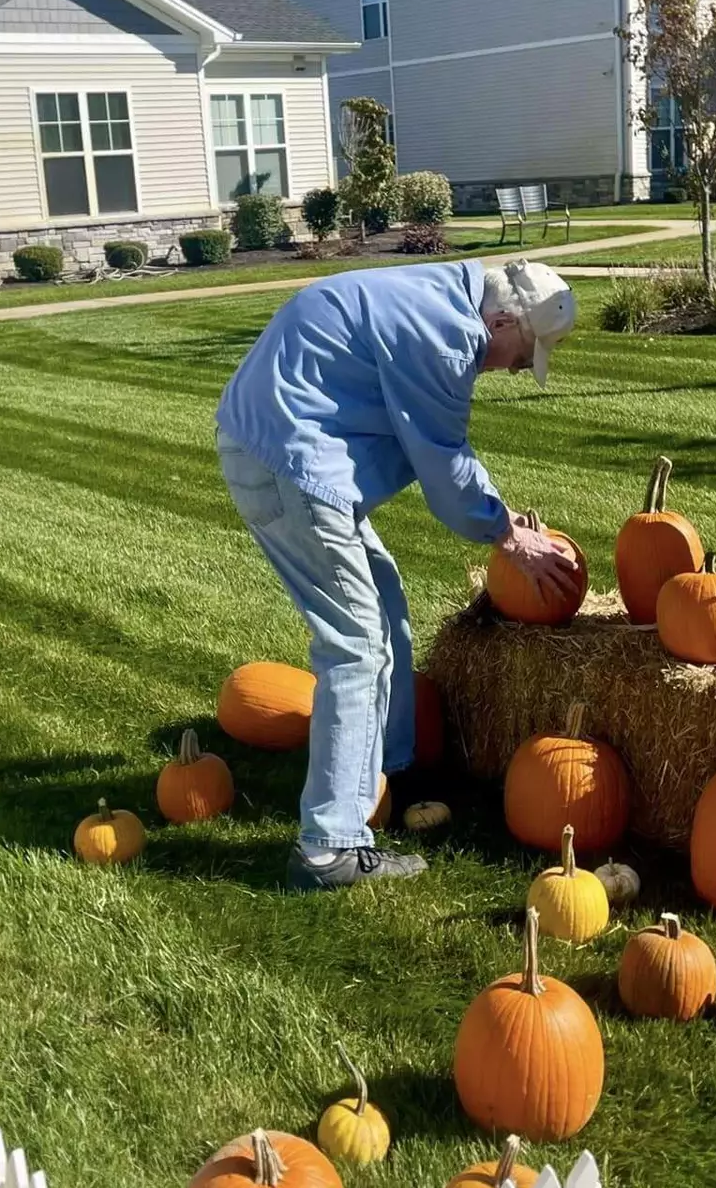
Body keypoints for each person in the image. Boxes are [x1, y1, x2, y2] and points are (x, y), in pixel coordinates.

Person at [216, 256, 580, 892]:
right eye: (522, 355)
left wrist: (501, 521)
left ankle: (389, 770)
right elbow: (441, 460)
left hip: (284, 447)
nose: (515, 369)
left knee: (384, 605)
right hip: (289, 462)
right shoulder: (444, 333)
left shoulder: (449, 297)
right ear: (500, 320)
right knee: (355, 646)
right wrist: (506, 533)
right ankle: (329, 847)